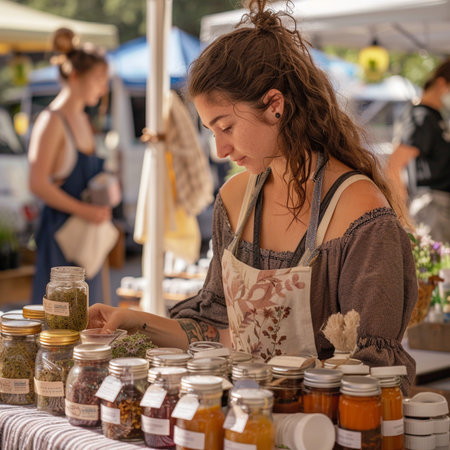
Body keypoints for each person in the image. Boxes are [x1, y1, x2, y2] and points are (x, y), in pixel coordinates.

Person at [89, 1, 417, 393]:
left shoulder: (360, 212)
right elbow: (214, 329)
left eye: (225, 127)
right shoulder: (236, 199)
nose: (219, 150)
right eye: (212, 131)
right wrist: (129, 319)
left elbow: (373, 376)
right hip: (246, 422)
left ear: (274, 105)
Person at [29, 28, 111, 304]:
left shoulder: (83, 120)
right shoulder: (51, 121)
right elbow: (37, 183)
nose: (104, 87)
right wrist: (86, 210)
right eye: (99, 78)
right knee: (60, 319)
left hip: (88, 239)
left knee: (90, 320)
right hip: (61, 240)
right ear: (75, 76)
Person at [387, 59, 450, 244]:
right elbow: (393, 166)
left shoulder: (436, 117)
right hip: (431, 206)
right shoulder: (421, 117)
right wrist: (402, 213)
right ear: (441, 83)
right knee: (438, 271)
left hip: (439, 207)